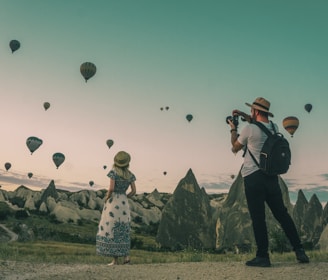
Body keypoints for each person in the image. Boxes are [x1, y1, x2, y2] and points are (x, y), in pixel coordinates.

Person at [227, 97, 309, 267]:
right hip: (272, 178)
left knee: (258, 218)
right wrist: (243, 114)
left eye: (251, 111)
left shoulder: (248, 129)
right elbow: (259, 125)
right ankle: (299, 250)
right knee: (282, 215)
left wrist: (233, 129)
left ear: (255, 111)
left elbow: (235, 147)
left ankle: (263, 256)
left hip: (253, 178)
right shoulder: (274, 127)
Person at [96, 151, 137, 265]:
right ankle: (126, 257)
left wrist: (106, 197)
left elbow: (111, 189)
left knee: (112, 227)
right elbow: (134, 191)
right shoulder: (130, 175)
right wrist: (125, 197)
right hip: (123, 203)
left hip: (113, 203)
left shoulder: (113, 173)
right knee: (124, 228)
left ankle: (115, 260)